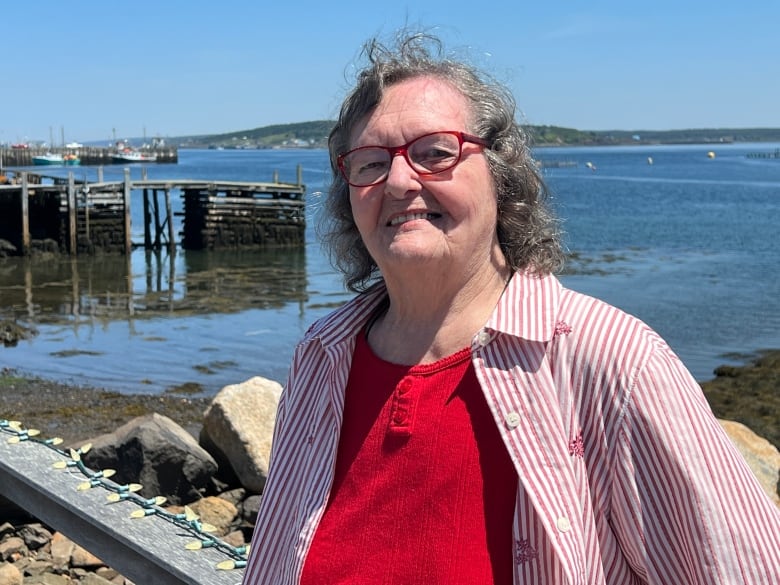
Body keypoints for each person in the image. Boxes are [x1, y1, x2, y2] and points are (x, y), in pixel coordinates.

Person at [242, 32, 780, 584]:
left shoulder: (613, 363)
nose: (400, 181)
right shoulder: (322, 356)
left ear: (501, 174)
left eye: (435, 152)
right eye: (370, 163)